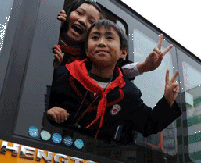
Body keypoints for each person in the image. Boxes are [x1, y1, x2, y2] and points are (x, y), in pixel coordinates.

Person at [46, 19, 181, 142]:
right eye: (95, 37)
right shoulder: (64, 74)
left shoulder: (128, 93)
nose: (101, 43)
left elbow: (149, 125)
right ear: (87, 50)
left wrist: (167, 101)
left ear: (123, 52)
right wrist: (49, 112)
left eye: (109, 38)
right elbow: (36, 99)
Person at [53, 0, 171, 79]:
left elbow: (116, 69)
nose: (83, 21)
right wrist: (55, 25)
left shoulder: (89, 60)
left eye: (91, 21)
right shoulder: (47, 29)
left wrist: (144, 66)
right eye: (79, 13)